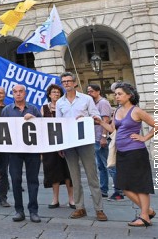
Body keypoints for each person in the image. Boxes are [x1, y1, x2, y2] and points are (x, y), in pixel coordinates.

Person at [93, 82, 158, 227]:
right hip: (121, 153)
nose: (116, 96)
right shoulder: (116, 111)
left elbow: (157, 125)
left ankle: (144, 217)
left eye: (119, 94)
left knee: (140, 185)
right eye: (115, 94)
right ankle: (148, 211)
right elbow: (112, 129)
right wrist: (99, 122)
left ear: (129, 95)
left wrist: (144, 137)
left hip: (136, 152)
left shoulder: (136, 111)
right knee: (123, 186)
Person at [56, 72, 107, 221]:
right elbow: (58, 124)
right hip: (69, 142)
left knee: (92, 175)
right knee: (74, 176)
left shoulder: (86, 99)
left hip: (85, 141)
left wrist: (86, 118)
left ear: (75, 82)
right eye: (63, 82)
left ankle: (99, 209)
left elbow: (96, 117)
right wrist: (60, 144)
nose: (66, 84)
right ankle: (80, 207)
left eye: (68, 81)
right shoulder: (60, 102)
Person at [1, 84, 42, 223]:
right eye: (15, 92)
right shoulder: (7, 110)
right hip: (14, 152)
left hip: (32, 151)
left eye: (20, 92)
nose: (18, 94)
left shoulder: (33, 109)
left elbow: (43, 127)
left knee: (33, 180)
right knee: (16, 180)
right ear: (12, 94)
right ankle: (19, 210)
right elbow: (2, 129)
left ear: (25, 93)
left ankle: (33, 211)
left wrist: (35, 119)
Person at [87, 84, 123, 201]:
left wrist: (103, 136)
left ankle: (119, 191)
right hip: (94, 139)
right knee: (101, 166)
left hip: (101, 138)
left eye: (91, 91)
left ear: (98, 91)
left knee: (110, 165)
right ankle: (103, 190)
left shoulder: (103, 103)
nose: (89, 93)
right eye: (88, 91)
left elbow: (106, 120)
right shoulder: (93, 104)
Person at [41, 84, 74, 209]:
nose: (56, 94)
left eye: (58, 92)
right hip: (50, 144)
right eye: (53, 92)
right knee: (53, 171)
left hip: (66, 143)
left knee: (68, 171)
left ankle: (71, 199)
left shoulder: (66, 107)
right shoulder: (44, 108)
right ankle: (55, 199)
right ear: (49, 95)